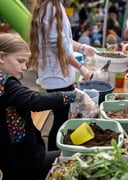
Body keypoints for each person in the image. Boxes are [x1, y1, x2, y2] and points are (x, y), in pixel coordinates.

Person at [0, 33, 95, 180]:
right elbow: (34, 100)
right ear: (2, 57)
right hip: (24, 162)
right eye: (20, 61)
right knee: (76, 161)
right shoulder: (5, 85)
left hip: (13, 159)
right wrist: (74, 95)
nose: (24, 67)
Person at [29, 0, 97, 151]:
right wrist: (83, 69)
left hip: (57, 76)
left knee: (61, 117)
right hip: (56, 78)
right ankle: (54, 155)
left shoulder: (53, 5)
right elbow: (59, 47)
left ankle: (56, 153)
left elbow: (63, 39)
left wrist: (83, 47)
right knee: (60, 120)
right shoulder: (50, 8)